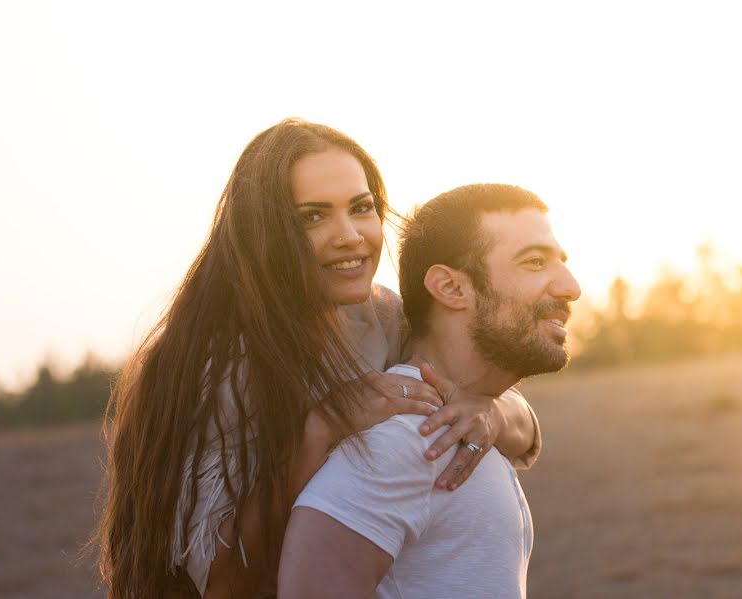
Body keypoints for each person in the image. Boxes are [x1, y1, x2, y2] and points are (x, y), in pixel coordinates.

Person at [94, 120, 543, 598]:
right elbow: (221, 585)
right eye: (312, 217)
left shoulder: (384, 316)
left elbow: (527, 433)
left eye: (361, 208)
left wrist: (487, 410)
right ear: (264, 233)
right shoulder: (216, 370)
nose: (349, 235)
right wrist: (322, 427)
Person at [279, 183, 581, 598]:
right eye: (534, 262)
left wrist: (492, 411)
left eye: (561, 263)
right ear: (451, 288)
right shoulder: (406, 440)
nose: (570, 287)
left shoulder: (470, 421)